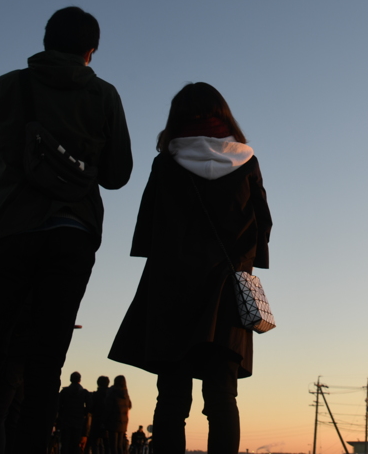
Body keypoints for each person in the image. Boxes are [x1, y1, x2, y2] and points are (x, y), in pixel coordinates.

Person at [0, 6, 133, 454]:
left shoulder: (9, 86)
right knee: (46, 367)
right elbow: (119, 174)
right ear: (91, 51)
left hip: (11, 231)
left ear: (45, 41)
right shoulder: (104, 95)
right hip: (73, 233)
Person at [109, 82, 273, 454]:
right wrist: (245, 265)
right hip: (227, 291)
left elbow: (148, 227)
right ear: (224, 114)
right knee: (221, 397)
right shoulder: (247, 161)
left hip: (171, 288)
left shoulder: (167, 161)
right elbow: (262, 227)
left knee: (171, 398)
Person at [57, 371, 91, 453]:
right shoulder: (84, 393)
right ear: (80, 380)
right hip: (79, 423)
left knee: (65, 446)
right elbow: (89, 409)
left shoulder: (64, 392)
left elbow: (58, 407)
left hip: (65, 422)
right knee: (75, 446)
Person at [105, 375, 131, 454]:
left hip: (113, 422)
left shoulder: (113, 392)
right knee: (119, 446)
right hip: (123, 423)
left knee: (113, 446)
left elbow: (108, 407)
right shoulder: (125, 394)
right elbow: (129, 406)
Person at [87, 375, 111, 454]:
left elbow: (91, 408)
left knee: (94, 444)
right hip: (108, 422)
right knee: (107, 445)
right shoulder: (111, 395)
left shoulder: (96, 395)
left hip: (96, 422)